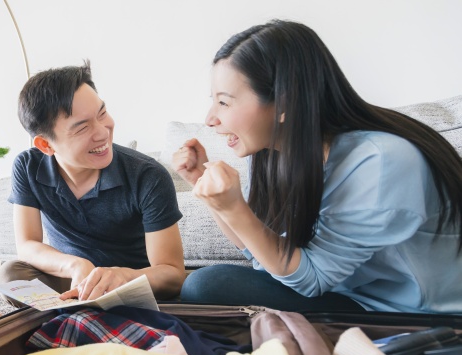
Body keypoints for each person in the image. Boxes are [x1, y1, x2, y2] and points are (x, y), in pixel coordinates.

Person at [173, 20, 462, 314]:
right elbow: (264, 257)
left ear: (284, 103)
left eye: (224, 102)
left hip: (410, 313)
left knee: (207, 285)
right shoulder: (274, 154)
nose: (210, 119)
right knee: (208, 285)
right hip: (347, 297)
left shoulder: (382, 162)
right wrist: (205, 188)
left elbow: (312, 279)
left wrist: (235, 208)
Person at [0, 61, 186, 303]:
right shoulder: (28, 166)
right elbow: (27, 244)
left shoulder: (147, 175)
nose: (103, 132)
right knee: (11, 276)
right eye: (82, 128)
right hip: (74, 278)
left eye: (102, 114)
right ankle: (79, 305)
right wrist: (74, 265)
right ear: (46, 144)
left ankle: (86, 309)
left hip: (131, 283)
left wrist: (121, 276)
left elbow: (172, 274)